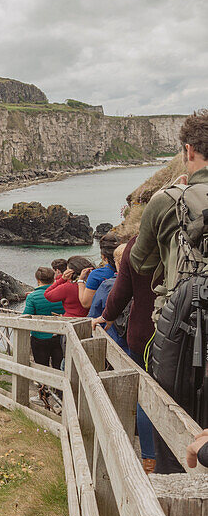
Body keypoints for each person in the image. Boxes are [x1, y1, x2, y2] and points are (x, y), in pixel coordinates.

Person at [130, 110, 208, 473]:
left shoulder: (167, 200)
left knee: (173, 425)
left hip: (178, 331)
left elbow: (139, 263)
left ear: (189, 151)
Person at [94, 234, 157, 471]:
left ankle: (149, 458)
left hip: (145, 334)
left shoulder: (138, 245)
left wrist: (106, 317)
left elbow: (120, 294)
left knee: (146, 394)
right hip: (188, 331)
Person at [23, 267, 65, 365]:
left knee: (41, 365)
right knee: (58, 366)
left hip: (40, 336)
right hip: (60, 334)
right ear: (53, 278)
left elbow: (25, 316)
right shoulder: (61, 292)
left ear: (38, 280)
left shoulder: (33, 297)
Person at [80, 233, 119, 310]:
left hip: (103, 317)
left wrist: (81, 281)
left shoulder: (97, 275)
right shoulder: (132, 270)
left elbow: (86, 303)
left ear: (103, 256)